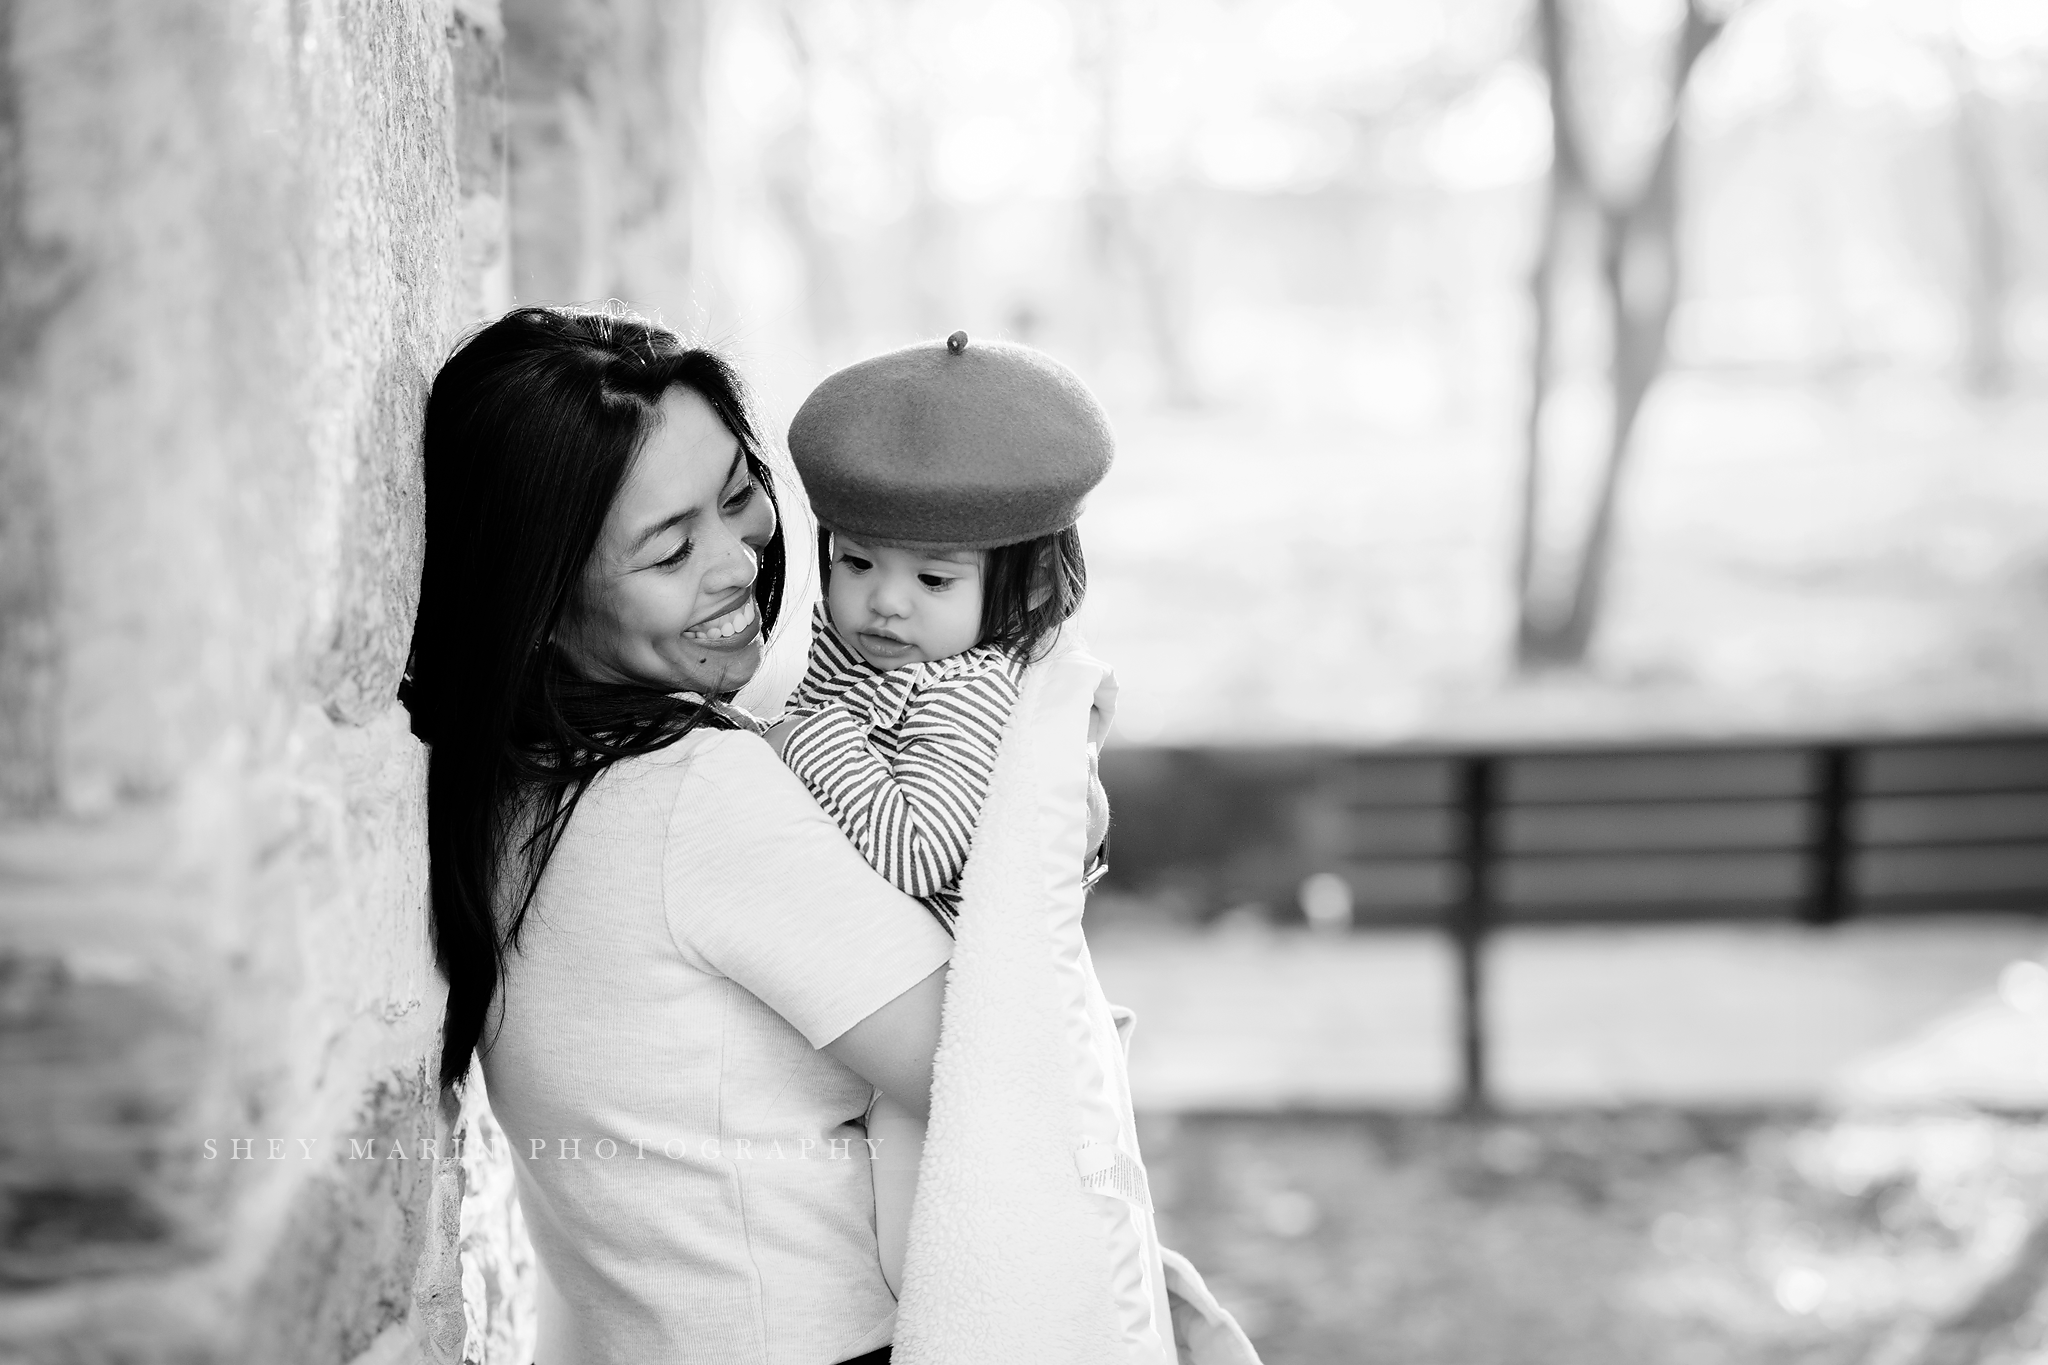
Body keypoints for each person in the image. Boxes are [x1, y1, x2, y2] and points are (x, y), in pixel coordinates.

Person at [403, 304, 950, 1365]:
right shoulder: (696, 790)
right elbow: (987, 1065)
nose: (738, 565)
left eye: (739, 499)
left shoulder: (510, 781)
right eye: (668, 550)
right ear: (545, 600)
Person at [764, 331, 1115, 1293]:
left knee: (936, 1262)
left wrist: (798, 737)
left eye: (932, 578)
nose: (883, 604)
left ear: (1029, 582)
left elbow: (916, 847)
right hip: (873, 1002)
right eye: (858, 561)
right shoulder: (871, 650)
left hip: (943, 1016)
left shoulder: (967, 690)